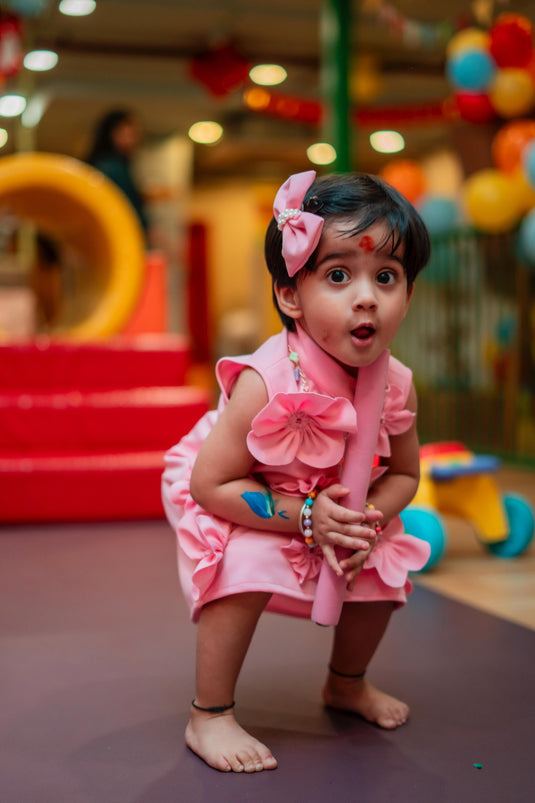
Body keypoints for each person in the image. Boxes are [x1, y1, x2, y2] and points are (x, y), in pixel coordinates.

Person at [162, 170, 431, 774]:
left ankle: (345, 683)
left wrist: (366, 522)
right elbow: (211, 485)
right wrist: (308, 518)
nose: (366, 296)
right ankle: (209, 713)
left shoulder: (398, 383)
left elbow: (406, 474)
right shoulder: (269, 381)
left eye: (386, 278)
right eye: (338, 276)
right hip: (239, 488)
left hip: (336, 506)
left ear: (408, 295)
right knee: (242, 566)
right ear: (290, 295)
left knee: (380, 573)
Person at [86, 109, 149, 235]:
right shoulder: (110, 166)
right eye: (128, 134)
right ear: (111, 134)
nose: (133, 139)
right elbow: (125, 202)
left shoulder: (115, 165)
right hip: (117, 231)